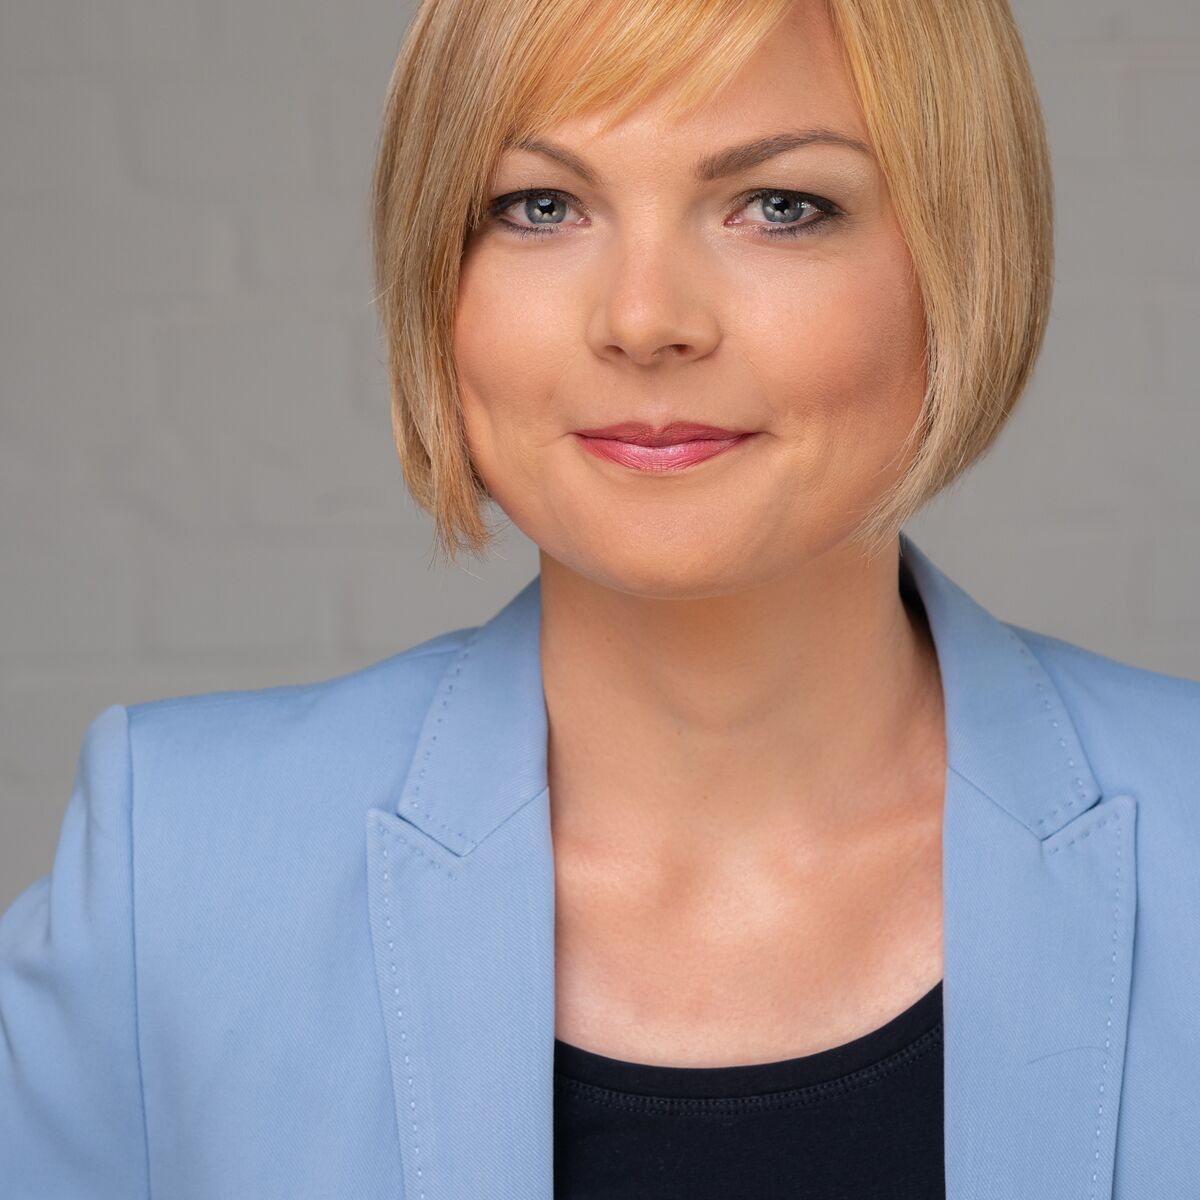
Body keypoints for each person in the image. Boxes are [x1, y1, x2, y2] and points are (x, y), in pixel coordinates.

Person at [2, 0, 1197, 1197]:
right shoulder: (175, 871)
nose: (643, 320)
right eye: (540, 206)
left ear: (963, 254)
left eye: (780, 205)